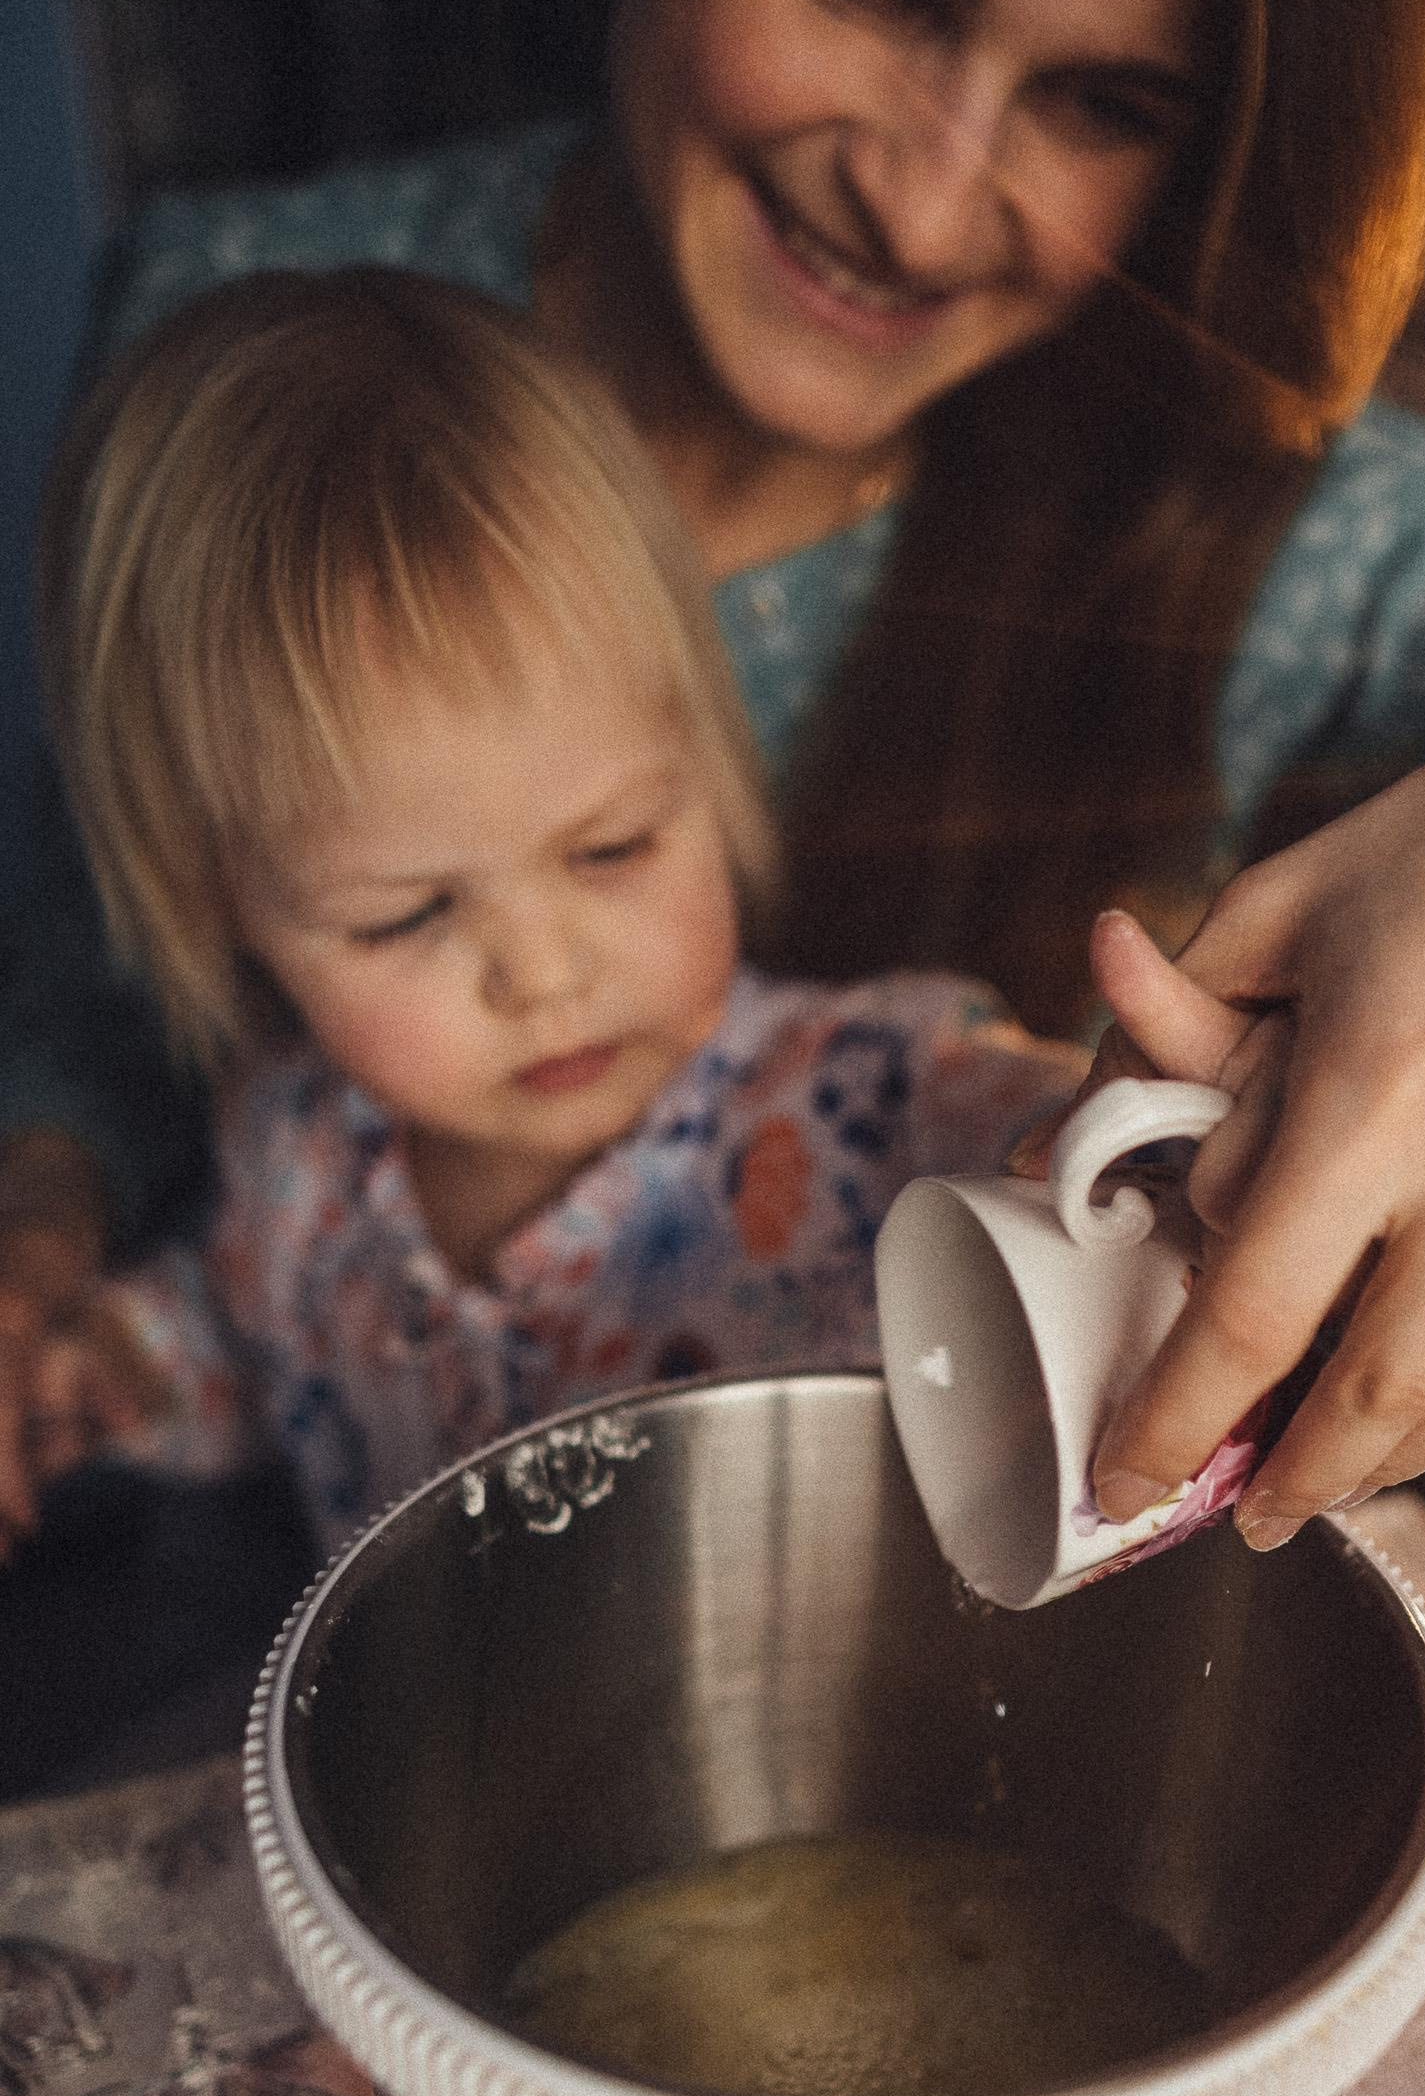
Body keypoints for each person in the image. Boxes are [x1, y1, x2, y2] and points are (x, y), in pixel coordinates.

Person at [4, 0, 1425, 1567]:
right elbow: (98, 973)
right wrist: (52, 1227)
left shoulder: (1286, 521)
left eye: (1112, 99)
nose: (929, 195)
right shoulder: (214, 327)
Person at [28, 266, 1080, 1552]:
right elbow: (252, 1348)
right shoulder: (291, 1153)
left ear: (709, 761)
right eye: (402, 915)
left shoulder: (876, 1095)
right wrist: (102, 1378)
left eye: (613, 848)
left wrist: (1120, 1129)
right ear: (225, 911)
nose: (540, 971)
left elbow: (1043, 1125)